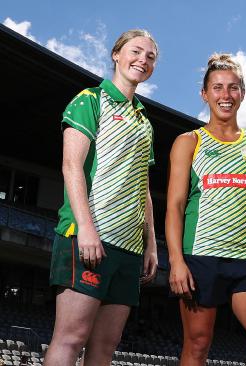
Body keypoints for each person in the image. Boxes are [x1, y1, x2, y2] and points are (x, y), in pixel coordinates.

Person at [45, 29, 159, 366]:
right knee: (71, 338)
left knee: (106, 347)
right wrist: (86, 228)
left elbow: (144, 187)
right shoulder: (90, 100)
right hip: (87, 237)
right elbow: (70, 166)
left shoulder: (144, 121)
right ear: (116, 54)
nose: (143, 60)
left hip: (129, 248)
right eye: (136, 51)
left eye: (150, 57)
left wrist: (150, 243)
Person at [166, 53, 246, 366]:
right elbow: (175, 206)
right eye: (217, 88)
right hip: (200, 256)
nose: (225, 95)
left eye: (233, 88)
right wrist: (176, 260)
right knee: (198, 345)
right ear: (205, 94)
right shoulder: (188, 141)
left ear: (242, 93)